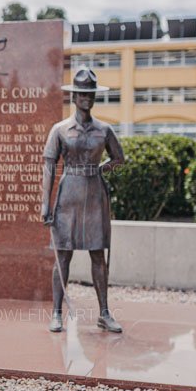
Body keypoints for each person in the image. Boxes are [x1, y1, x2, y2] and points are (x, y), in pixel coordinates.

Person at [41, 67, 126, 333]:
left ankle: (104, 313)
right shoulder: (60, 129)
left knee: (98, 255)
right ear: (74, 96)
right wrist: (45, 203)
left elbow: (119, 158)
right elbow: (48, 166)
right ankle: (56, 312)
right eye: (82, 94)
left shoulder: (104, 129)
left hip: (95, 194)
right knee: (62, 255)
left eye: (90, 94)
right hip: (69, 195)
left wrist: (102, 170)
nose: (86, 99)